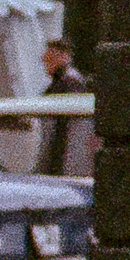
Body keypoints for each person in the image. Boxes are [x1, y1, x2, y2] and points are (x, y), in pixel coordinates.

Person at [37, 37, 90, 178]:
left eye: (50, 58)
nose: (45, 62)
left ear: (63, 57)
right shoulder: (62, 82)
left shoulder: (70, 82)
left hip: (65, 149)